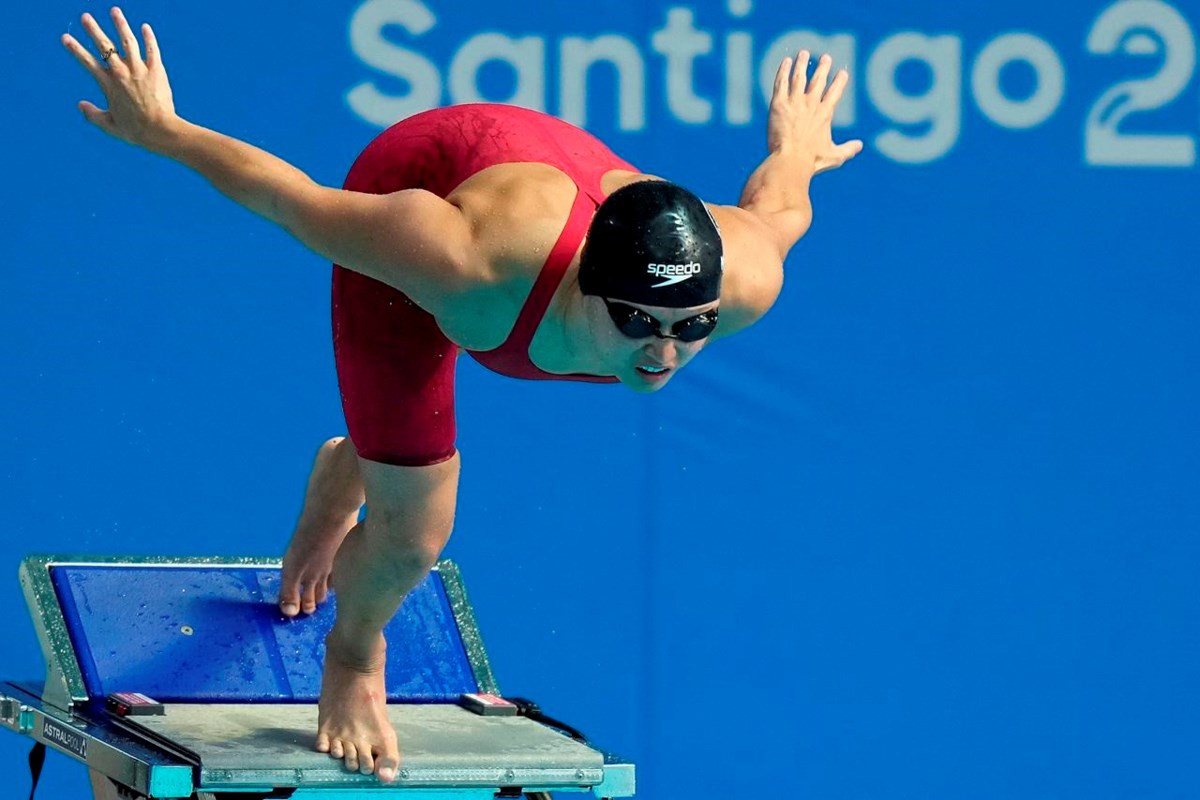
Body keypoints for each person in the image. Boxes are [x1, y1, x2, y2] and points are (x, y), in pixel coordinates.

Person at [62, 6, 863, 784]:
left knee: (399, 475)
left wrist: (796, 148)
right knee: (413, 538)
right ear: (590, 287)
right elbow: (292, 202)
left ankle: (361, 462)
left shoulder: (743, 279)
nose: (665, 351)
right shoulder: (465, 263)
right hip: (429, 180)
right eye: (639, 321)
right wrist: (166, 132)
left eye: (693, 326)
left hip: (553, 172)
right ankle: (353, 653)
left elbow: (778, 206)